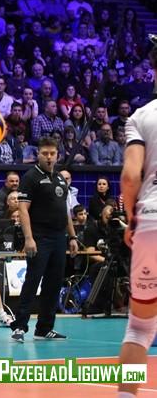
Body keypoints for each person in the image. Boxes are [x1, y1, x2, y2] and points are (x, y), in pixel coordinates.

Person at [11, 137, 79, 343]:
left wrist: (72, 236)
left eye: (52, 153)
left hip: (59, 237)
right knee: (33, 280)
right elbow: (23, 209)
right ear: (38, 155)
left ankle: (44, 328)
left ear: (57, 155)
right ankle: (19, 326)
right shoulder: (30, 177)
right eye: (45, 153)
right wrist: (29, 238)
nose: (49, 157)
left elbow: (65, 210)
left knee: (54, 283)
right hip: (39, 237)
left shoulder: (60, 178)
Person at [118, 91, 157, 398]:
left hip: (151, 221)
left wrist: (132, 219)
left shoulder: (141, 116)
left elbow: (131, 177)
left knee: (140, 328)